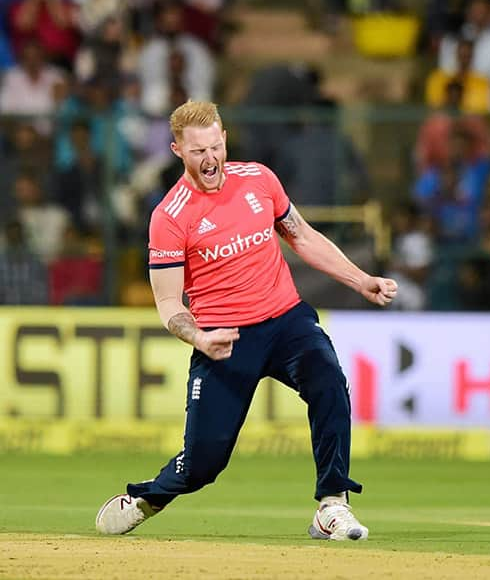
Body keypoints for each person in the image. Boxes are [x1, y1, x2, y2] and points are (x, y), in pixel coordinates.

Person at [94, 100, 398, 540]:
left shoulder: (259, 179)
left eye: (216, 146)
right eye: (198, 151)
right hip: (225, 337)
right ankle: (146, 498)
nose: (211, 159)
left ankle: (332, 503)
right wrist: (199, 337)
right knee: (204, 463)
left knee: (329, 381)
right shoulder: (169, 218)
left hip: (286, 319)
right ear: (178, 150)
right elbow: (168, 304)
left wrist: (360, 279)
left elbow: (302, 236)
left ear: (225, 140)